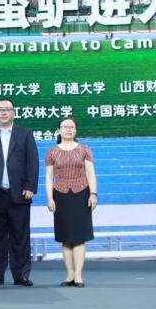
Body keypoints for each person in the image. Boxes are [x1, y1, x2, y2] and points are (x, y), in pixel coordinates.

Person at [0, 98, 39, 286]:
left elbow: (32, 162)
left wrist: (30, 187)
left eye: (7, 109)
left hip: (20, 194)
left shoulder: (25, 134)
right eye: (0, 110)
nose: (3, 112)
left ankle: (21, 275)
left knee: (20, 237)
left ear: (14, 113)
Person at [45, 117, 98, 288]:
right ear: (59, 130)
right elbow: (49, 177)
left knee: (79, 237)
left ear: (75, 130)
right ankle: (69, 274)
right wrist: (49, 198)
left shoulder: (84, 150)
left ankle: (79, 276)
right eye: (65, 126)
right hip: (60, 196)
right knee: (65, 237)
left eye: (71, 127)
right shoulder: (52, 152)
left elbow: (90, 174)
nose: (68, 129)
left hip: (81, 195)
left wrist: (93, 194)